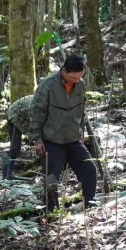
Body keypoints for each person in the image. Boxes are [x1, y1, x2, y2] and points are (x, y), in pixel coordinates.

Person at [31, 53, 96, 212]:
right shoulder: (47, 85)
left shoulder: (80, 84)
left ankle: (90, 204)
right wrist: (37, 139)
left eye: (80, 77)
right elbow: (37, 113)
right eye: (73, 78)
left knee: (89, 169)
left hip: (73, 139)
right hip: (52, 140)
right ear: (64, 71)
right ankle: (51, 211)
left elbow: (81, 109)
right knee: (51, 178)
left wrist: (80, 130)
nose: (77, 81)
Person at [1, 94, 33, 180]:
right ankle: (7, 175)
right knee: (15, 146)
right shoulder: (40, 104)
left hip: (21, 114)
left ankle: (8, 175)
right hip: (15, 114)